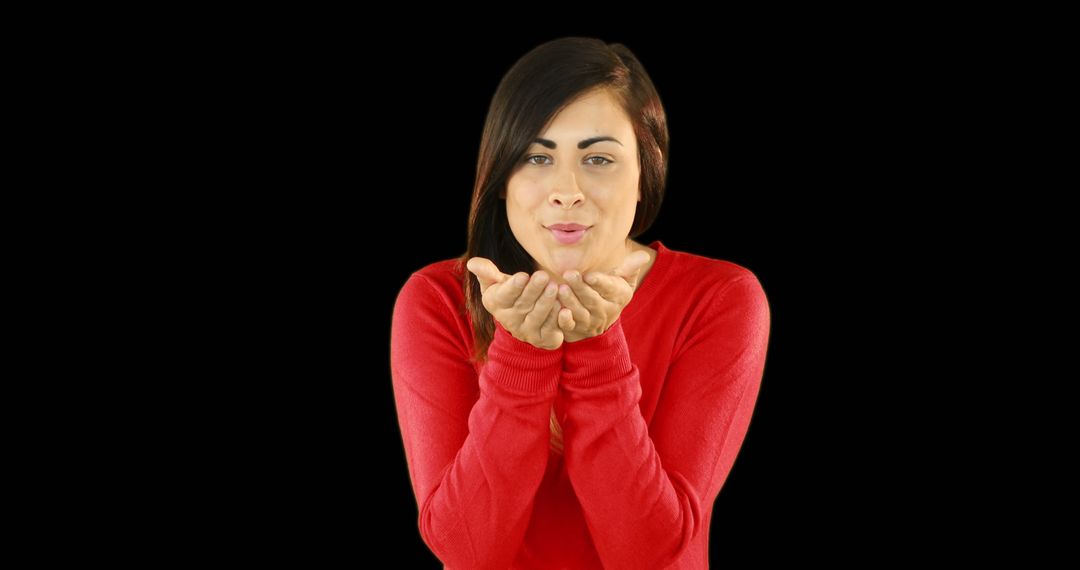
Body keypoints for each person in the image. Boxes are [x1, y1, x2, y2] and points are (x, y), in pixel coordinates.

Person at [391, 37, 770, 569]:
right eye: (536, 156)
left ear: (645, 174)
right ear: (502, 181)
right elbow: (466, 549)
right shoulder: (437, 300)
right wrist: (522, 352)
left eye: (598, 158)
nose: (566, 190)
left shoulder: (719, 298)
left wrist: (596, 347)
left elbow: (648, 552)